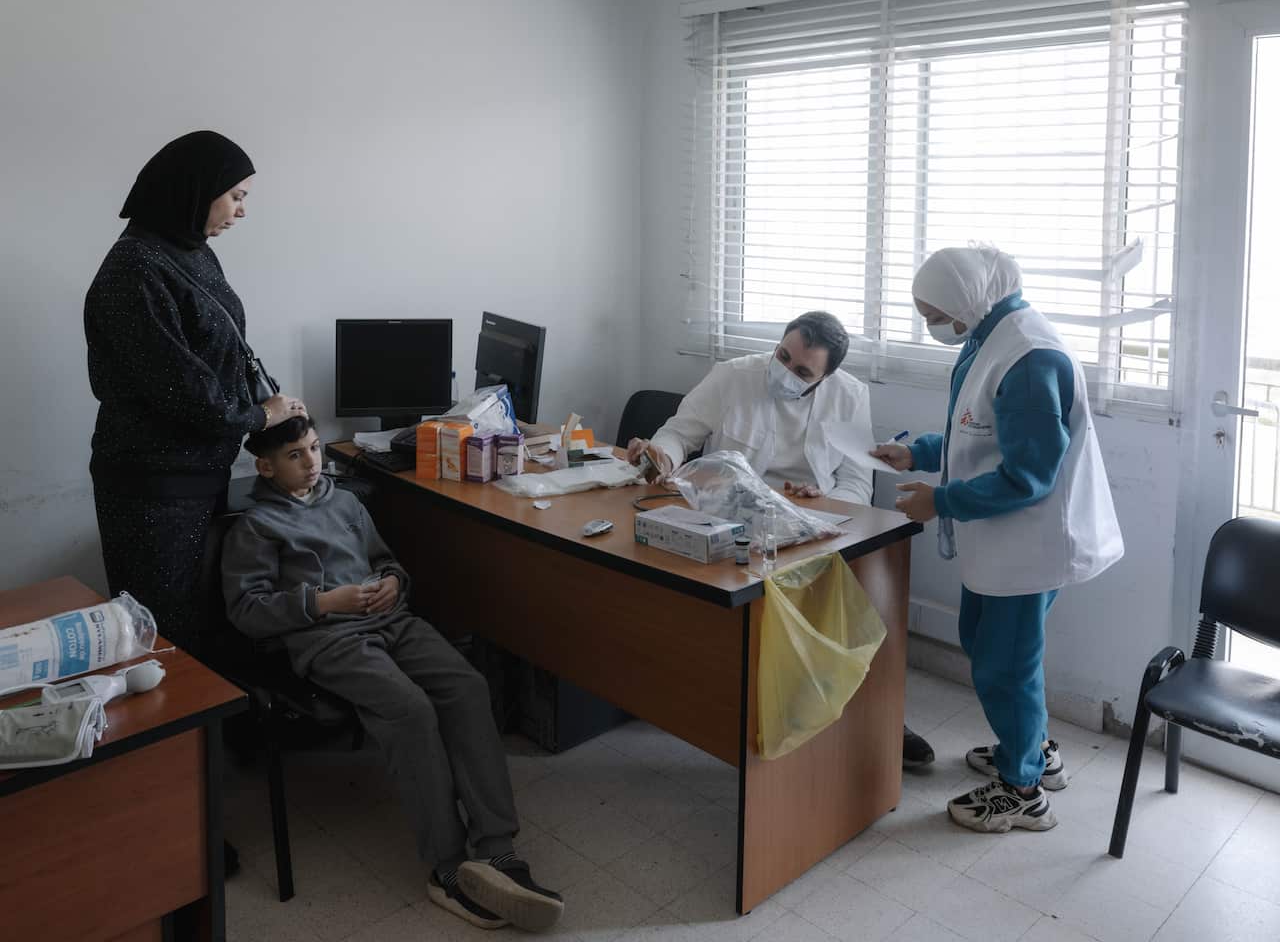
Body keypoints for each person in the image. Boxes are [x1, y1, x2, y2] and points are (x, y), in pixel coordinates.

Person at [221, 416, 563, 932]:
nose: (312, 462)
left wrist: (392, 583)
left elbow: (387, 563)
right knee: (410, 710)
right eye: (296, 455)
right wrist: (321, 602)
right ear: (264, 466)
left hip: (391, 621)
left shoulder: (346, 503)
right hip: (328, 639)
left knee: (467, 686)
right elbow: (246, 610)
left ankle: (496, 851)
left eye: (314, 449)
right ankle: (447, 868)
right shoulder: (256, 527)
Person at [872, 246, 1123, 833]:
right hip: (1004, 540)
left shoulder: (1031, 359)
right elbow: (976, 430)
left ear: (963, 300)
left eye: (932, 311)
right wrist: (919, 452)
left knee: (1006, 665)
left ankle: (1023, 787)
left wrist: (941, 501)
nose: (930, 323)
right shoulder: (989, 335)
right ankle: (1028, 746)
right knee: (990, 647)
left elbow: (1028, 476)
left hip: (1030, 543)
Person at [625, 310, 936, 769]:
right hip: (728, 518)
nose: (785, 371)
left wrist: (824, 497)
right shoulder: (733, 376)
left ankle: (874, 712)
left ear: (826, 376)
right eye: (782, 356)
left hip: (809, 524)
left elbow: (857, 483)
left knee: (864, 591)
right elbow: (679, 432)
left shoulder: (849, 397)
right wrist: (661, 455)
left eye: (802, 370)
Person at [84, 130, 307, 656]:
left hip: (196, 471)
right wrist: (259, 415)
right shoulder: (134, 270)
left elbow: (223, 348)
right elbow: (184, 392)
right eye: (237, 195)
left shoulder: (189, 252)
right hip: (154, 484)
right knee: (162, 630)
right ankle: (174, 738)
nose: (242, 210)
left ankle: (206, 737)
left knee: (197, 619)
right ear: (194, 190)